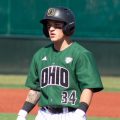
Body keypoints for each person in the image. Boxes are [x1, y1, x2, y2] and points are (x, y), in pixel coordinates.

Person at [16, 6, 103, 120]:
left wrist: (80, 112)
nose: (51, 29)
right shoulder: (40, 55)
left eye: (57, 25)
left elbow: (88, 87)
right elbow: (36, 89)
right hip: (44, 114)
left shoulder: (81, 54)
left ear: (68, 27)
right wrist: (23, 112)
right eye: (48, 26)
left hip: (71, 114)